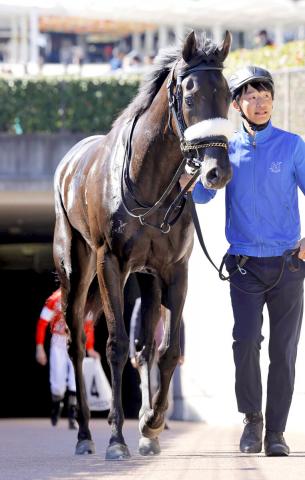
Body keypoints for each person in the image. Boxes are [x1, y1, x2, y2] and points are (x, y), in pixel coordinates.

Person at [180, 65, 305, 456]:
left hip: (288, 265)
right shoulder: (227, 148)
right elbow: (201, 199)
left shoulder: (293, 145)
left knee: (283, 353)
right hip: (244, 267)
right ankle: (253, 421)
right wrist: (196, 175)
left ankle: (276, 434)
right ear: (236, 104)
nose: (260, 103)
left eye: (265, 96)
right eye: (251, 97)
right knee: (245, 343)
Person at [35, 288, 100, 429]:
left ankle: (73, 415)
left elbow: (88, 325)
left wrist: (90, 348)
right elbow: (42, 322)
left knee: (75, 380)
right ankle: (56, 403)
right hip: (59, 341)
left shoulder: (83, 298)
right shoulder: (54, 299)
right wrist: (39, 347)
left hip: (76, 340)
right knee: (58, 384)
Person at [129, 298, 185, 425]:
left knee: (167, 386)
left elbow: (180, 324)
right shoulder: (142, 301)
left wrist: (181, 352)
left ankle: (162, 417)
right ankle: (150, 414)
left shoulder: (171, 299)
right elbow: (134, 326)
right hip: (149, 350)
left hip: (166, 350)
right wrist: (133, 353)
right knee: (151, 384)